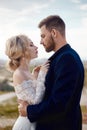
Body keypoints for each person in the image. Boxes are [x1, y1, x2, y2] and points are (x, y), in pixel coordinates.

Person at [18, 15, 84, 130]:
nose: (41, 41)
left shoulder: (67, 59)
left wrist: (28, 110)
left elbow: (59, 104)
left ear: (53, 32)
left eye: (43, 36)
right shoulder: (62, 57)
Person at [5, 34, 49, 130]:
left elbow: (33, 93)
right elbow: (36, 101)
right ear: (21, 51)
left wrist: (35, 76)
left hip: (34, 122)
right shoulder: (18, 74)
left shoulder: (28, 72)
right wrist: (42, 75)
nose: (36, 47)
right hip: (26, 125)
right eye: (31, 45)